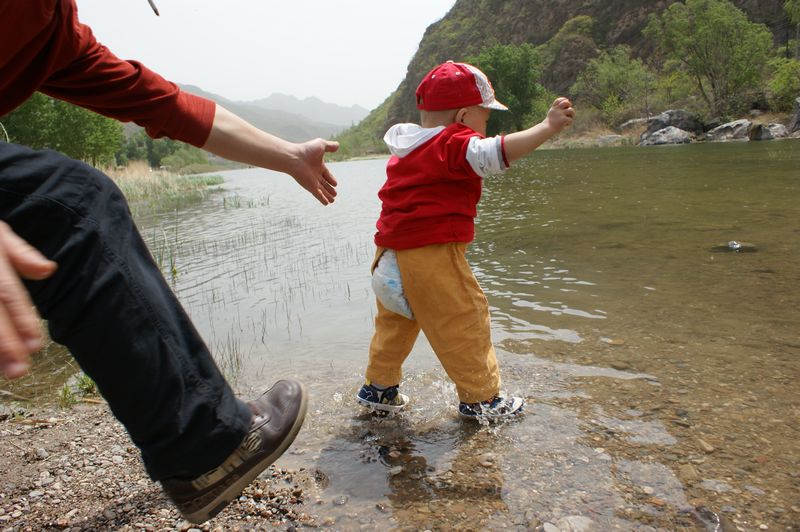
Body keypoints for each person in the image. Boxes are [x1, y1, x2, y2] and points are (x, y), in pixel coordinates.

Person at [0, 0, 339, 524]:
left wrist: (288, 156)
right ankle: (203, 448)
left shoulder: (50, 27)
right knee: (67, 202)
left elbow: (161, 103)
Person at [356, 61, 575, 421]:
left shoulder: (408, 147)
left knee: (394, 327)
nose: (485, 129)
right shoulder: (452, 143)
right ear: (462, 116)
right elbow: (495, 154)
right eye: (484, 119)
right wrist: (546, 127)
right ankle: (481, 400)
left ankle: (378, 390)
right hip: (431, 258)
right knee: (464, 321)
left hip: (388, 259)